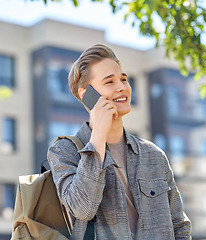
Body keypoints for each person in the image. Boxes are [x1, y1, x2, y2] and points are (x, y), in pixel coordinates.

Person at [47, 44, 191, 239]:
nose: (122, 87)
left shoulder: (154, 155)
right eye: (110, 82)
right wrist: (98, 134)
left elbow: (179, 225)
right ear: (86, 94)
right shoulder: (64, 151)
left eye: (124, 79)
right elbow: (82, 208)